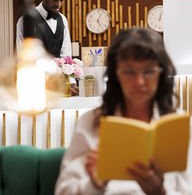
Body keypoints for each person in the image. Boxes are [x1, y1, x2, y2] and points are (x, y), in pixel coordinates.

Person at [55, 28, 192, 194]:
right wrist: (94, 184)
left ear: (161, 74)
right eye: (129, 71)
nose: (139, 81)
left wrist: (160, 191)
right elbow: (63, 191)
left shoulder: (178, 124)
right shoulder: (91, 122)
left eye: (148, 71)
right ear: (115, 75)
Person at [16, 0, 78, 95]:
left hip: (59, 84)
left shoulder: (63, 19)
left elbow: (66, 53)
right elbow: (22, 54)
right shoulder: (26, 20)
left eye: (62, 0)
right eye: (55, 0)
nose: (58, 4)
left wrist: (71, 81)